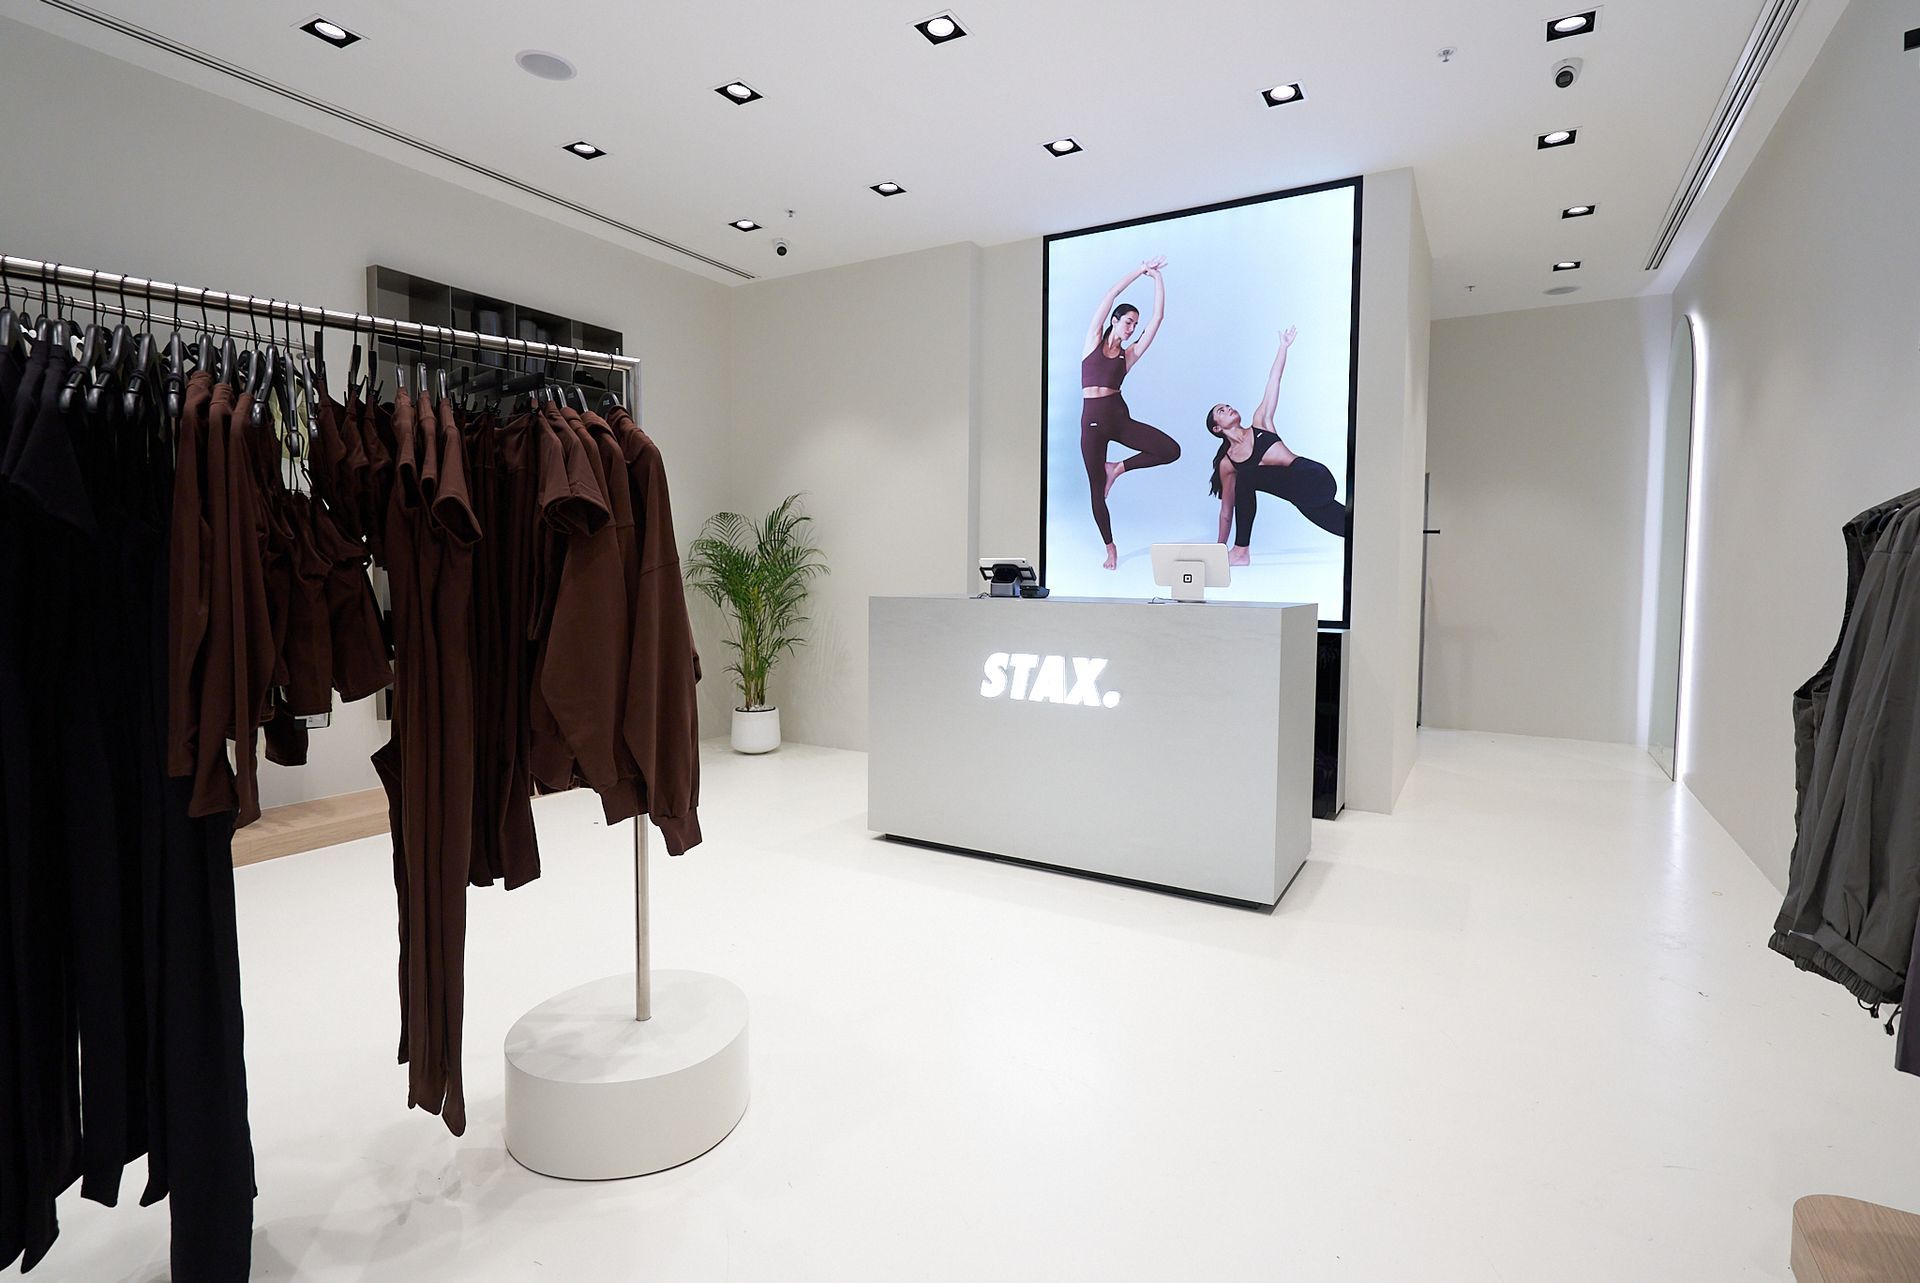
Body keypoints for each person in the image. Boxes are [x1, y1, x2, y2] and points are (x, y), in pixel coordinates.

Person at [1205, 326, 1347, 565]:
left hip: (1314, 477)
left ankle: (1241, 552)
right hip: (1303, 497)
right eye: (1222, 410)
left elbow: (1274, 380)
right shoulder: (1227, 463)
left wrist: (1283, 347)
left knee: (1247, 476)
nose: (1228, 408)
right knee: (1351, 529)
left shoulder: (1261, 422)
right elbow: (1227, 511)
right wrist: (1218, 550)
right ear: (1217, 428)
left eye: (1228, 405)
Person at [1080, 259, 1179, 569]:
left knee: (1170, 450)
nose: (1132, 327)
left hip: (1118, 419)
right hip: (1092, 425)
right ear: (1114, 320)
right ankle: (1110, 548)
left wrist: (1157, 279)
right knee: (1097, 492)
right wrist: (1140, 271)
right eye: (1128, 322)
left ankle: (1118, 468)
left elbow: (1159, 317)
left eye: (1136, 324)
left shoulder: (1130, 353)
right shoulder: (1093, 341)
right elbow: (1111, 292)